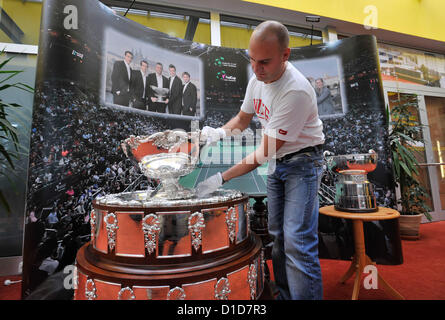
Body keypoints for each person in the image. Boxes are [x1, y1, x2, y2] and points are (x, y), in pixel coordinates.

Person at [196, 21, 325, 300]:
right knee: (278, 237)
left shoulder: (296, 91)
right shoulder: (257, 79)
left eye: (264, 62)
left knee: (297, 242)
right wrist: (218, 133)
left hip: (303, 164)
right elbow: (242, 120)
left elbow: (263, 153)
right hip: (280, 162)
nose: (256, 68)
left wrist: (221, 178)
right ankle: (285, 295)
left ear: (285, 55)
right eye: (252, 60)